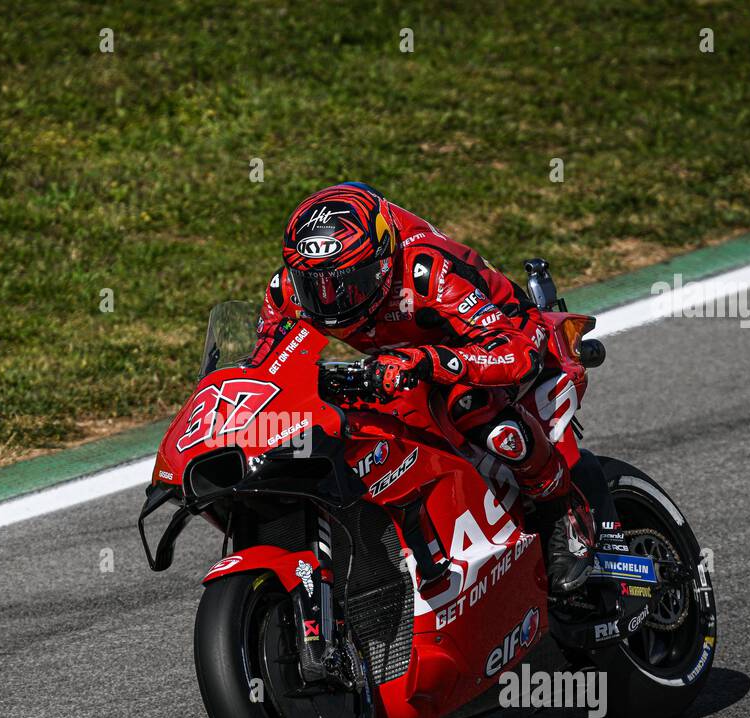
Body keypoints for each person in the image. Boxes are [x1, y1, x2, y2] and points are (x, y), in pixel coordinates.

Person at [252, 182, 591, 593]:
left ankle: (564, 513)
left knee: (476, 413)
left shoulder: (428, 271)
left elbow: (516, 352)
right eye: (315, 286)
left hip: (499, 340)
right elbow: (263, 368)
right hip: (398, 364)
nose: (332, 299)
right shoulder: (286, 289)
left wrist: (431, 361)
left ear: (382, 262)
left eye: (349, 282)